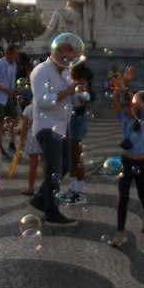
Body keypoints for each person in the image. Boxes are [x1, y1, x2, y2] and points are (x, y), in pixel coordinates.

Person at [27, 37, 81, 226]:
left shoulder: (65, 73)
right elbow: (42, 101)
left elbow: (73, 101)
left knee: (64, 164)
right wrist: (68, 92)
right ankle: (51, 212)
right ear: (55, 54)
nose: (67, 62)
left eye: (70, 58)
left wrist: (80, 93)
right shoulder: (41, 71)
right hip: (46, 126)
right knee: (54, 168)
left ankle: (41, 198)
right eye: (65, 58)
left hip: (62, 126)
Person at [109, 68, 144, 248]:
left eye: (130, 106)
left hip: (142, 162)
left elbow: (140, 105)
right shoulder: (124, 118)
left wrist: (126, 88)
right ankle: (120, 232)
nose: (127, 109)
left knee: (142, 194)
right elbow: (114, 98)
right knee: (123, 197)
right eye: (126, 106)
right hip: (126, 161)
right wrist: (124, 82)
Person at [62, 57, 93, 205]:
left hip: (77, 123)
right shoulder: (73, 82)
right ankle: (73, 190)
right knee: (72, 159)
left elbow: (82, 99)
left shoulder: (81, 85)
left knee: (76, 159)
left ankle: (80, 193)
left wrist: (83, 92)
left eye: (71, 67)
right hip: (72, 122)